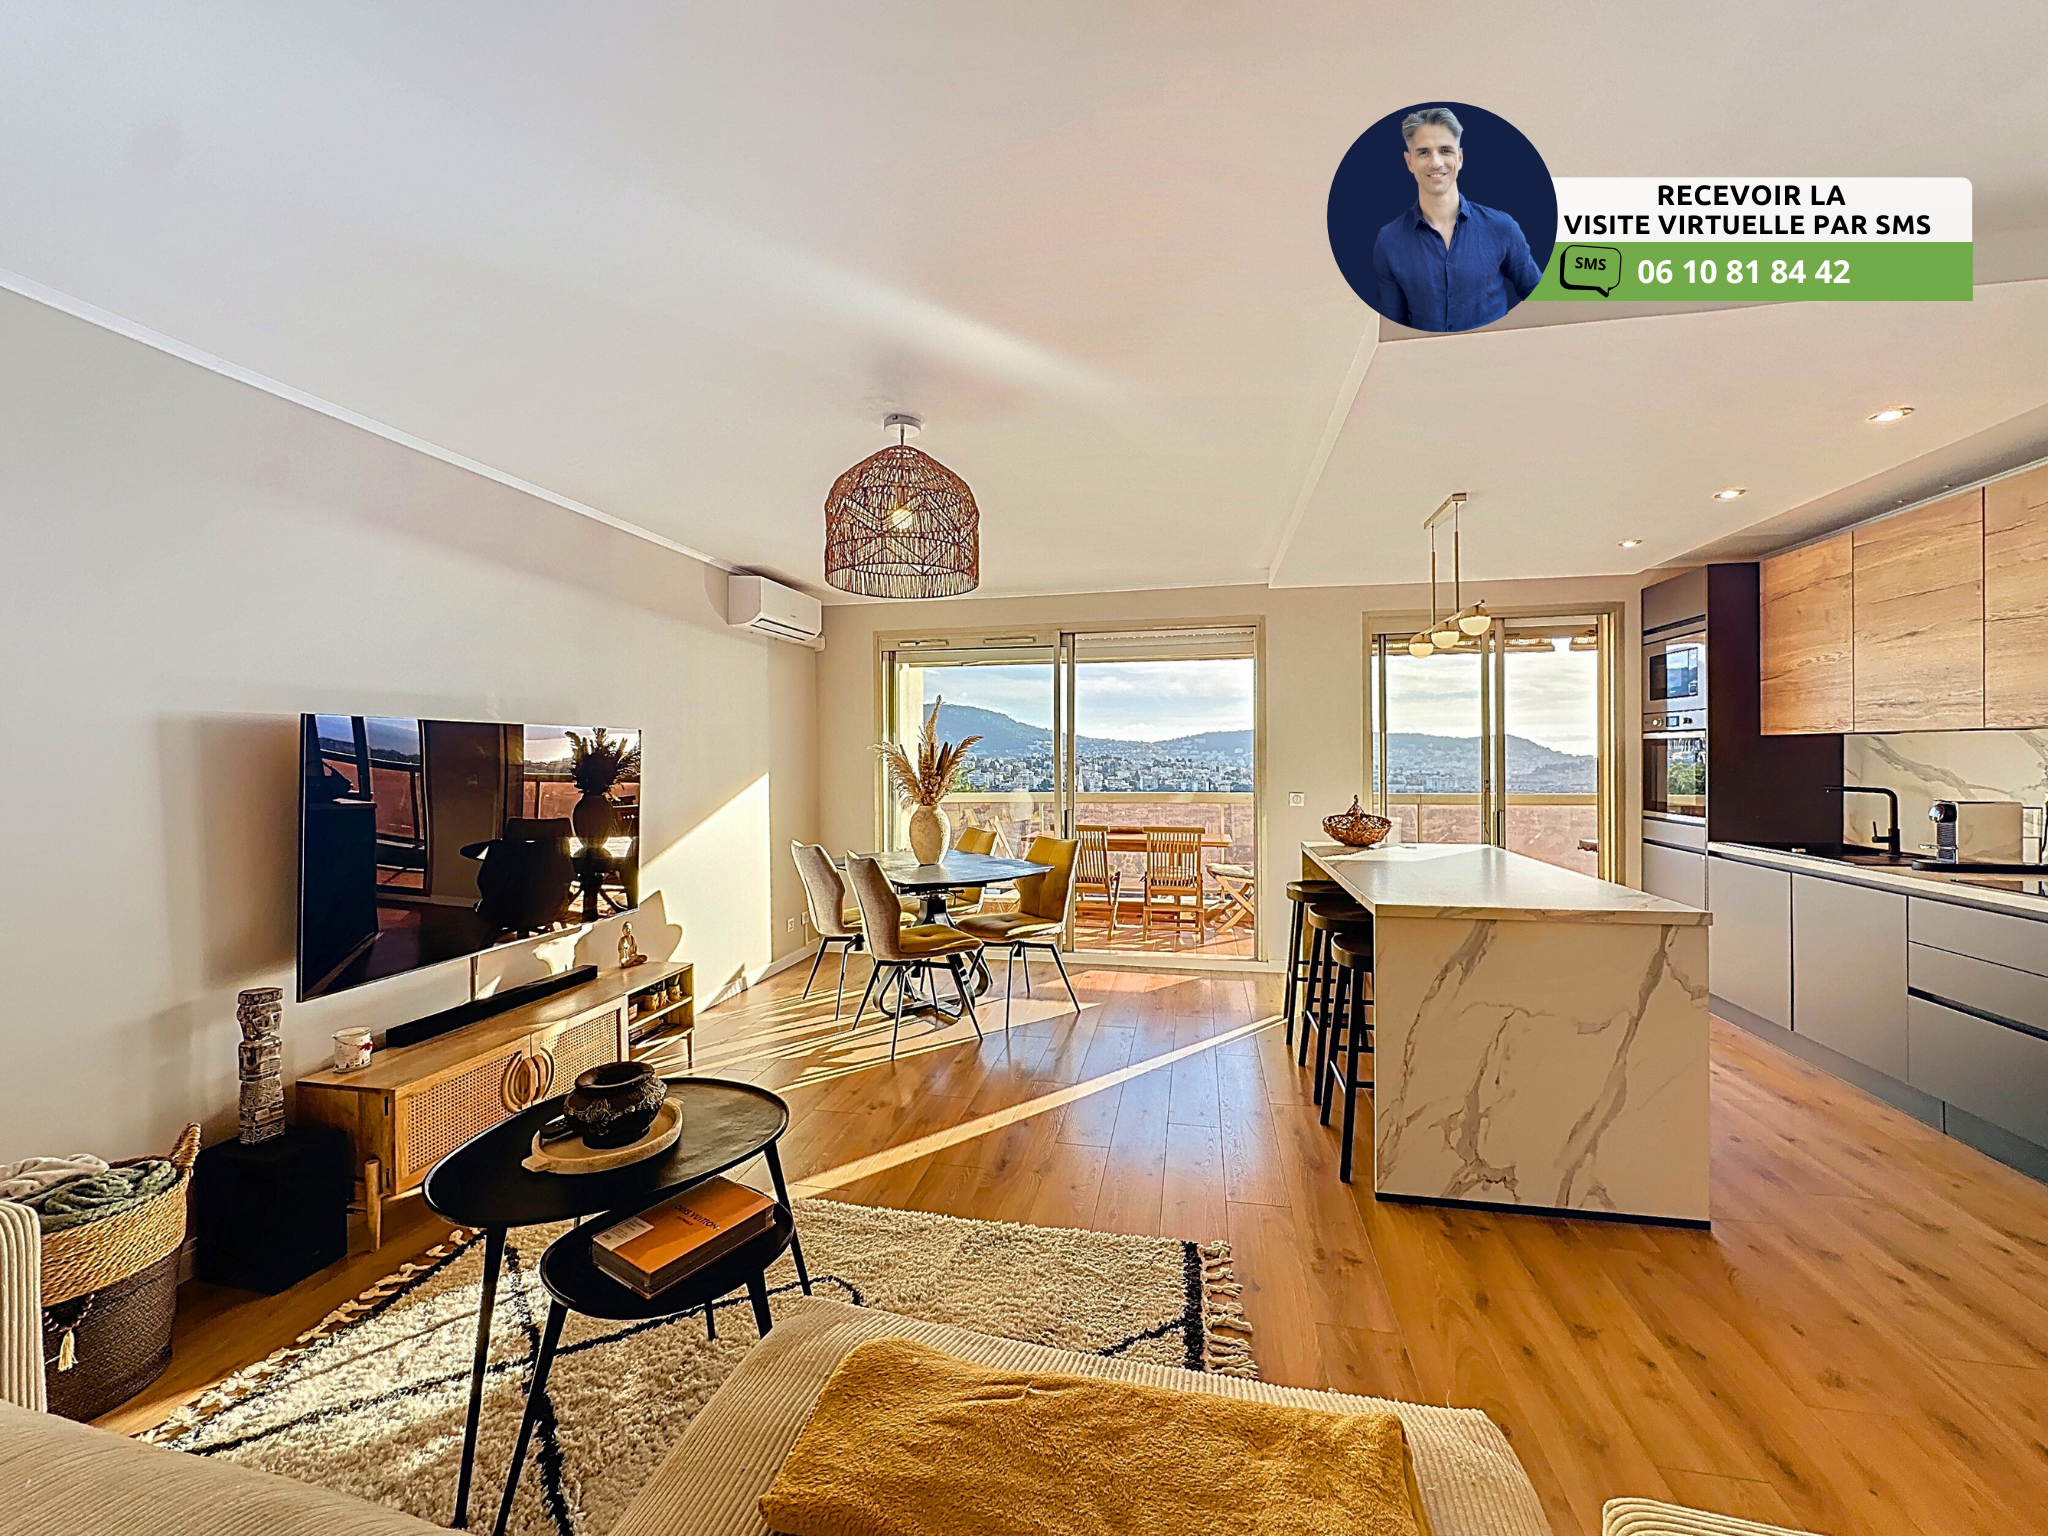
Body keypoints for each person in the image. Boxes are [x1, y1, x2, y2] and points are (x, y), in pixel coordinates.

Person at [1370, 107, 1542, 333]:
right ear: (1409, 162)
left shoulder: (1502, 228)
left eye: (1445, 151)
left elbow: (1540, 300)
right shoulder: (1389, 241)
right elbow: (1392, 327)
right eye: (1423, 152)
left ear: (1459, 158)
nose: (1435, 162)